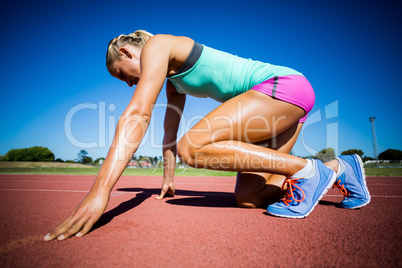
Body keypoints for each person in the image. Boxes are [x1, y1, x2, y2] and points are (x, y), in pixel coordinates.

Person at [43, 30, 370, 241]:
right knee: (249, 198)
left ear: (128, 54)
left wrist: (101, 191)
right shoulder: (173, 82)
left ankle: (308, 171)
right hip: (279, 110)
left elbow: (138, 114)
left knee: (194, 146)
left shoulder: (159, 44)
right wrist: (168, 178)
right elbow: (168, 132)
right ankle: (337, 168)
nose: (127, 83)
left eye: (120, 75)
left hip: (282, 88)